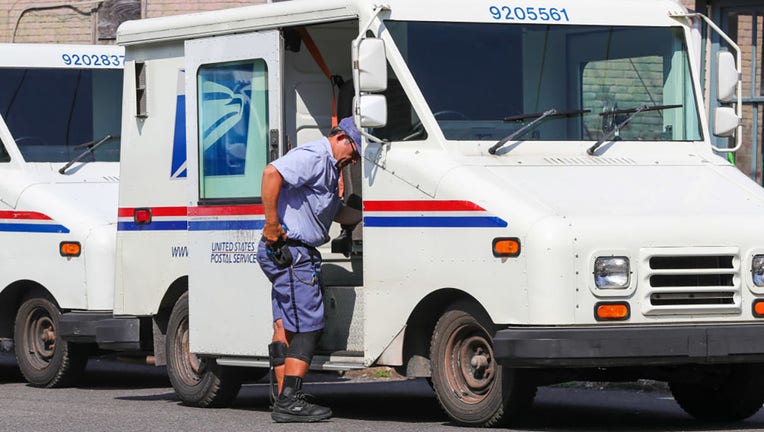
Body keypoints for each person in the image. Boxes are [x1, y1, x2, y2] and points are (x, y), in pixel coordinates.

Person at [256, 116, 362, 423]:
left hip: (290, 251)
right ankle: (290, 400)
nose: (354, 159)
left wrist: (372, 213)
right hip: (292, 251)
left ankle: (281, 397)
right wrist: (272, 224)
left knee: (286, 326)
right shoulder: (316, 156)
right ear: (341, 137)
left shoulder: (331, 169)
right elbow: (271, 173)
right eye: (354, 151)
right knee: (309, 326)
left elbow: (336, 212)